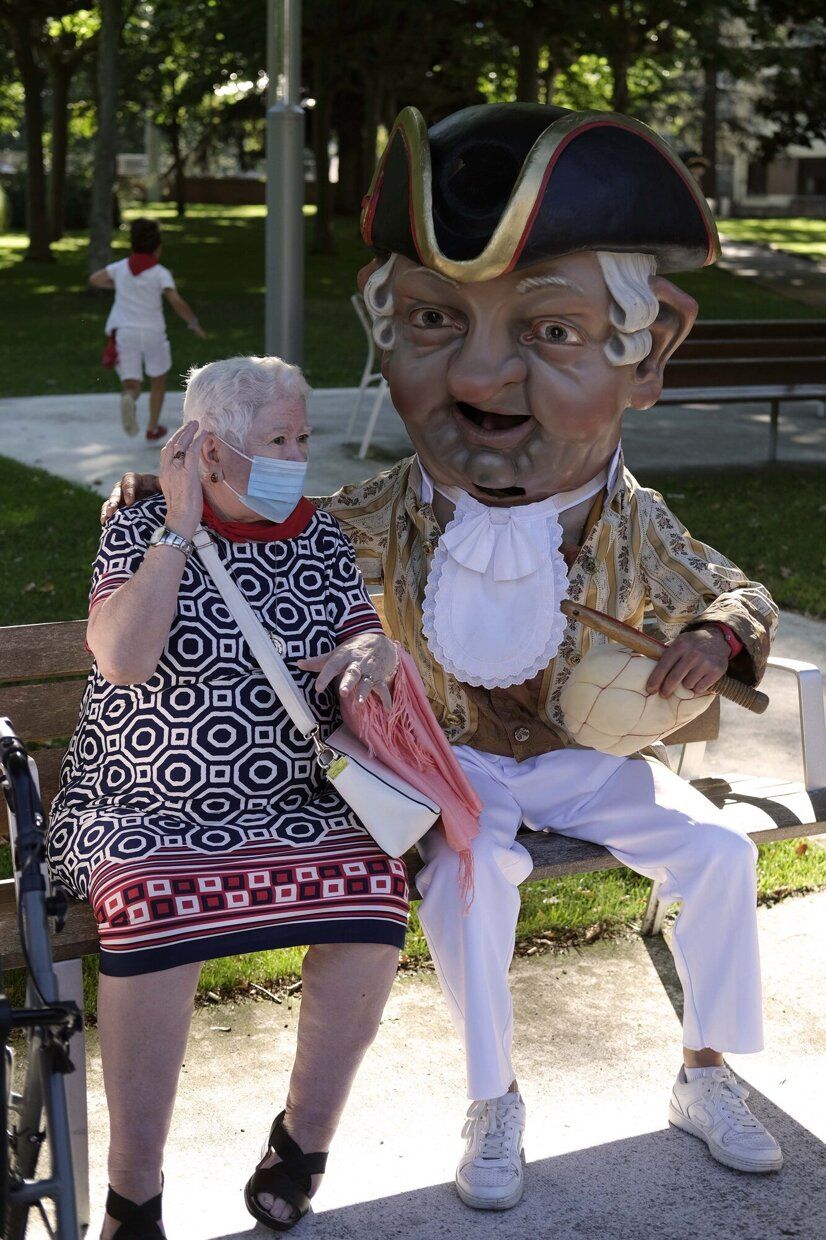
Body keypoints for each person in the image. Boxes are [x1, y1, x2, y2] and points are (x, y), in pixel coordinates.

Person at [103, 103, 784, 1213]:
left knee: (715, 850)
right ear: (383, 331)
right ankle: (493, 1101)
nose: (479, 375)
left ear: (647, 349)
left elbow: (736, 589)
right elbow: (251, 521)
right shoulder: (366, 522)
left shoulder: (630, 524)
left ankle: (705, 1074)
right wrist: (164, 490)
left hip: (569, 756)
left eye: (550, 331)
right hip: (450, 768)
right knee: (475, 880)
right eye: (429, 320)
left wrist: (716, 634)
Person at [49, 355, 407, 1237]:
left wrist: (374, 654)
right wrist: (177, 525)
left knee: (373, 884)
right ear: (208, 452)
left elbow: (367, 635)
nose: (297, 456)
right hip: (139, 806)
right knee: (155, 901)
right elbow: (124, 659)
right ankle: (135, 1190)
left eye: (302, 436)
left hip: (294, 799)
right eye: (276, 440)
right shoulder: (140, 528)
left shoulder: (314, 534)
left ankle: (302, 1142)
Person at [90, 217, 207, 443]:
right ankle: (152, 427)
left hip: (126, 332)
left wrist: (117, 285)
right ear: (158, 248)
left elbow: (95, 279)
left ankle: (129, 398)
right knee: (158, 379)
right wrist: (193, 322)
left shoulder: (120, 268)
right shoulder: (160, 272)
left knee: (132, 383)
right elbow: (175, 300)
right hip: (153, 332)